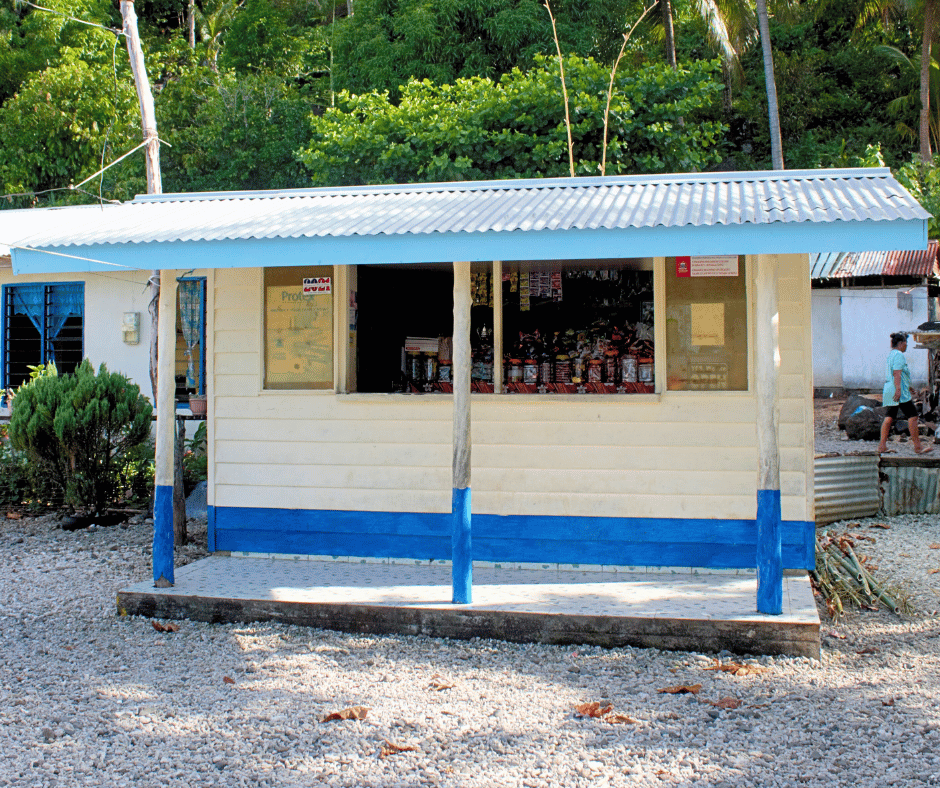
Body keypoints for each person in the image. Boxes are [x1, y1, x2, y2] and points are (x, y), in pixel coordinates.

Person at [878, 332, 933, 454]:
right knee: (913, 416)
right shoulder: (899, 355)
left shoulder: (891, 354)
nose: (906, 345)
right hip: (898, 392)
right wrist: (899, 390)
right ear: (901, 343)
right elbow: (897, 373)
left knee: (889, 417)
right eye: (906, 343)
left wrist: (908, 387)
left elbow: (899, 375)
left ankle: (882, 446)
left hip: (891, 388)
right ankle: (918, 447)